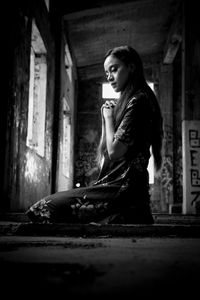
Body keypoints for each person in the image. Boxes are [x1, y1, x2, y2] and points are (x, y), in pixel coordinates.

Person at [26, 45, 163, 224]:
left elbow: (114, 152)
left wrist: (107, 118)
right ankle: (124, 214)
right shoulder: (133, 99)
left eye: (114, 70)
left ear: (131, 67)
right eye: (107, 73)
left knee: (42, 208)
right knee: (47, 208)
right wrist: (109, 118)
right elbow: (107, 150)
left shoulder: (139, 101)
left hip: (123, 188)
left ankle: (124, 212)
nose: (110, 77)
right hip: (125, 187)